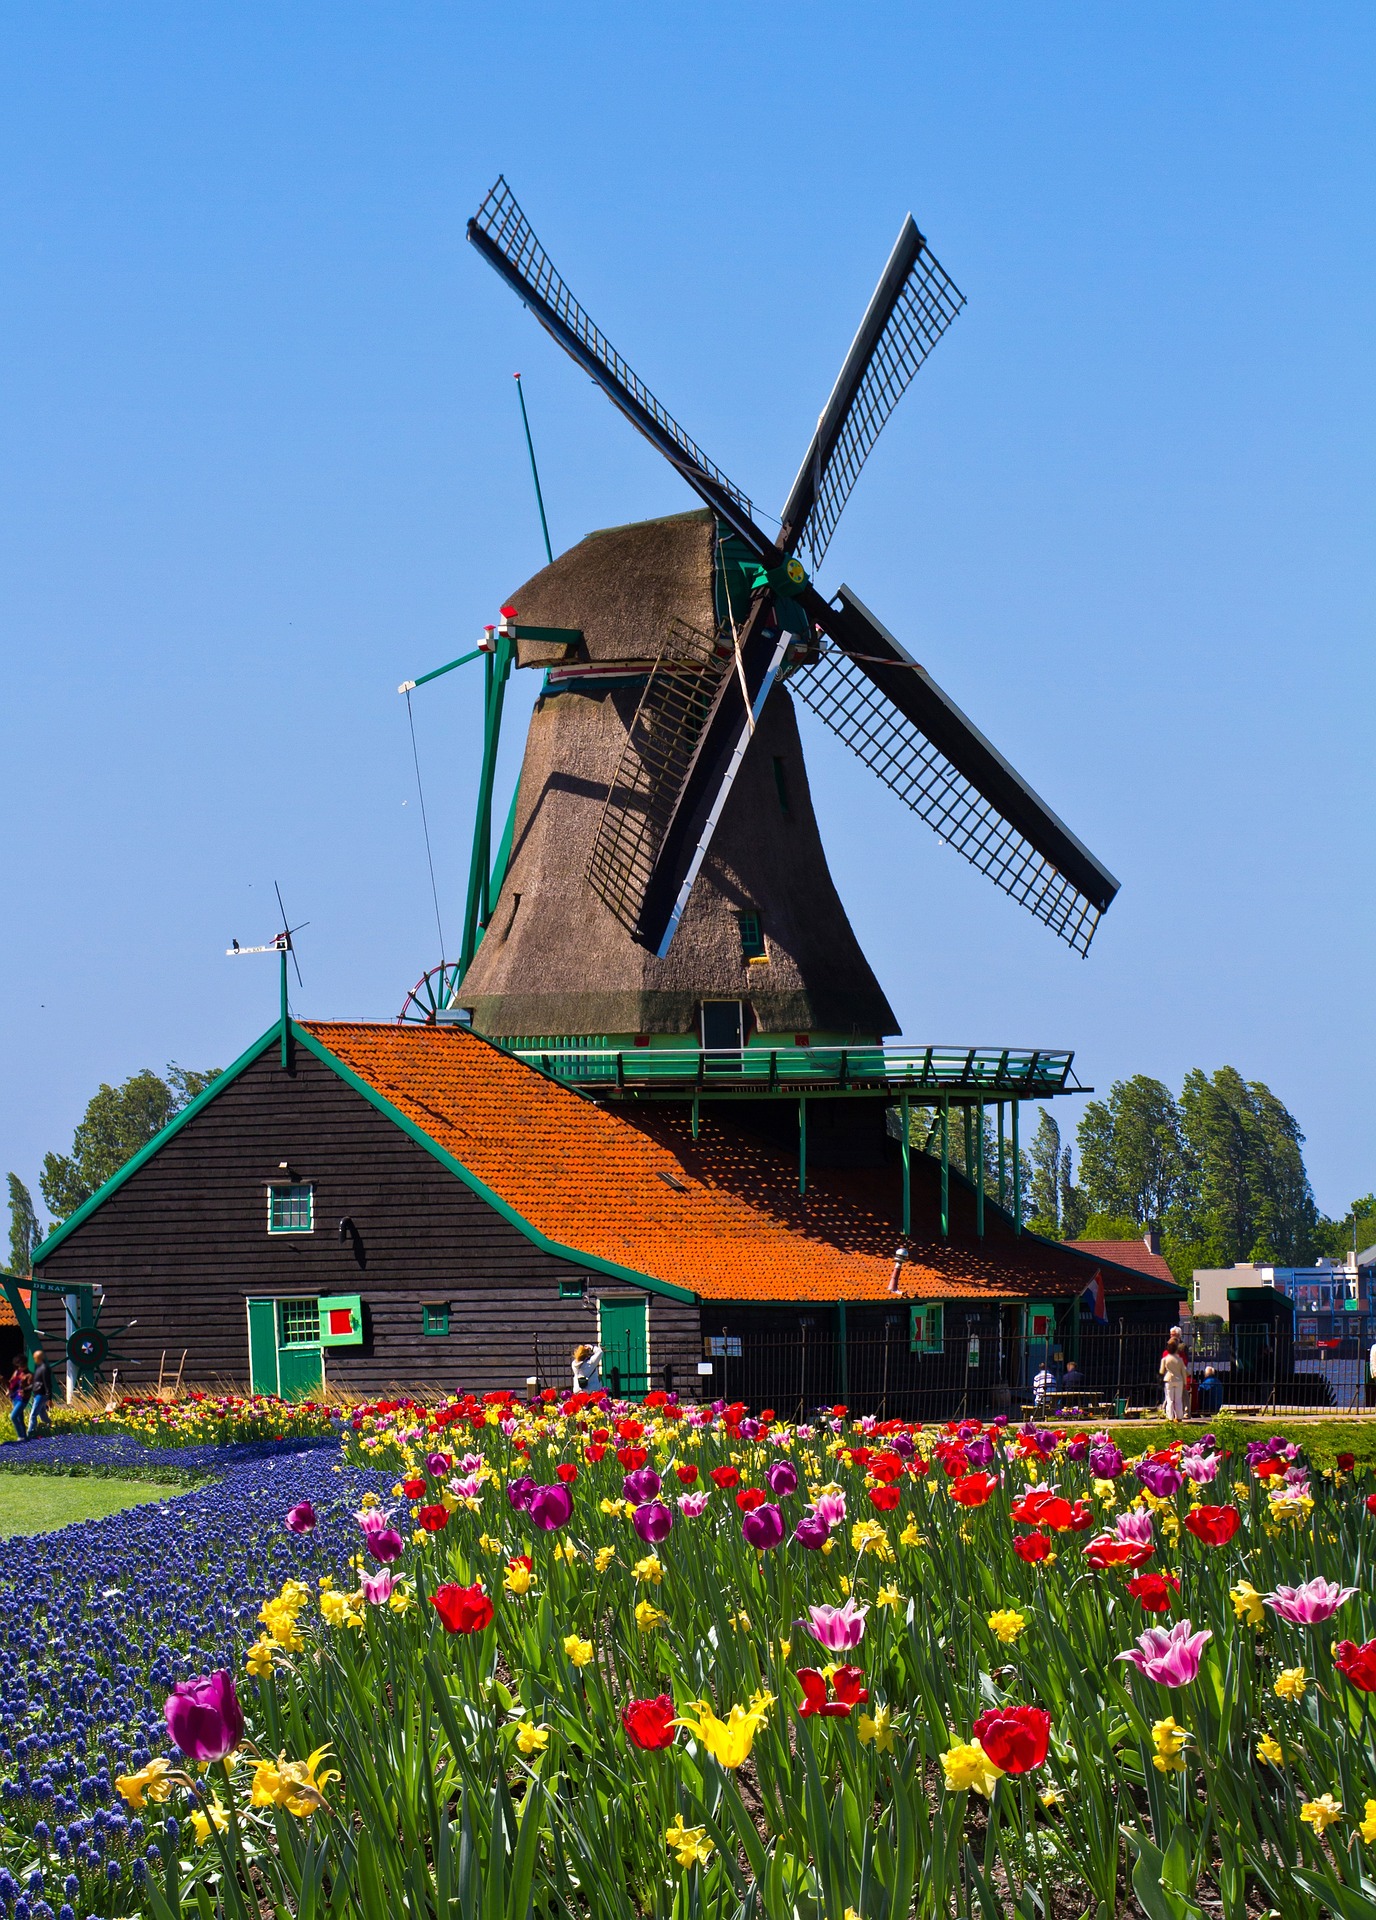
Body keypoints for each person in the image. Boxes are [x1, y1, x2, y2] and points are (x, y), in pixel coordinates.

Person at [26, 1348, 53, 1438]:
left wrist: (49, 1398)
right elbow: (36, 1382)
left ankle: (30, 1433)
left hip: (41, 1395)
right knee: (43, 1416)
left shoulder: (44, 1369)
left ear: (39, 1358)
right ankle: (50, 1424)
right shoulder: (39, 1368)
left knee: (33, 1415)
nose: (34, 1359)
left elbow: (47, 1383)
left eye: (35, 1358)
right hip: (38, 1394)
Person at [1160, 1333, 1187, 1422]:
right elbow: (1184, 1371)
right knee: (1178, 1399)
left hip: (1168, 1379)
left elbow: (1161, 1371)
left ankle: (1170, 1417)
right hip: (1179, 1380)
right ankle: (1179, 1417)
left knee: (1170, 1400)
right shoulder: (1180, 1360)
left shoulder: (1165, 1359)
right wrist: (1185, 1382)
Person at [6, 1358, 31, 1442]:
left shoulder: (29, 1375)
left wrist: (24, 1390)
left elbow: (32, 1386)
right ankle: (25, 1437)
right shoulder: (16, 1372)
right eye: (19, 1366)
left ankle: (20, 1436)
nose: (20, 1368)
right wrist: (8, 1390)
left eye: (22, 1366)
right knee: (20, 1418)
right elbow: (11, 1382)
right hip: (15, 1397)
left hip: (23, 1398)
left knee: (13, 1416)